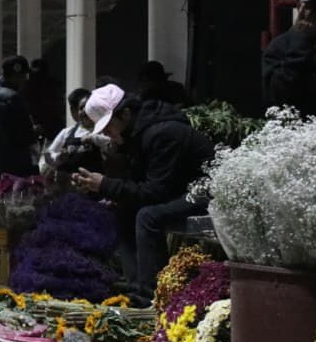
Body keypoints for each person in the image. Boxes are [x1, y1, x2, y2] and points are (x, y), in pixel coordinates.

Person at [71, 84, 213, 305]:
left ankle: (152, 296)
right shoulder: (135, 135)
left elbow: (155, 192)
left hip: (203, 193)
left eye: (109, 127)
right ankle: (136, 288)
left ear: (126, 113)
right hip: (177, 190)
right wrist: (99, 184)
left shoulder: (161, 133)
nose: (107, 133)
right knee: (123, 211)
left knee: (148, 217)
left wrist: (106, 184)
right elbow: (138, 186)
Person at [0, 56, 40, 187]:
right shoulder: (13, 98)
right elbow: (24, 135)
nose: (25, 80)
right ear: (17, 75)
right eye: (24, 75)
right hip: (15, 168)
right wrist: (34, 133)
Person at [262, 0, 316, 116]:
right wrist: (301, 39)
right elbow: (279, 97)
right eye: (314, 8)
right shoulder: (281, 46)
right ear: (301, 6)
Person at [40, 88, 93, 175]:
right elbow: (49, 154)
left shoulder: (103, 130)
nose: (84, 111)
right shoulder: (67, 132)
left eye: (87, 107)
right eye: (81, 108)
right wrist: (59, 157)